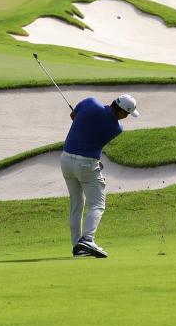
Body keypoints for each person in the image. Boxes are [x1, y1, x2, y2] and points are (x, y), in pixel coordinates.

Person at [60, 94, 140, 258]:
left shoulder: (90, 102)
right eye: (126, 114)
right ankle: (87, 240)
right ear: (121, 112)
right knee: (97, 204)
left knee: (76, 203)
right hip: (86, 164)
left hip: (66, 160)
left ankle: (78, 247)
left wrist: (82, 117)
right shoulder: (117, 128)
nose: (126, 117)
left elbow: (73, 116)